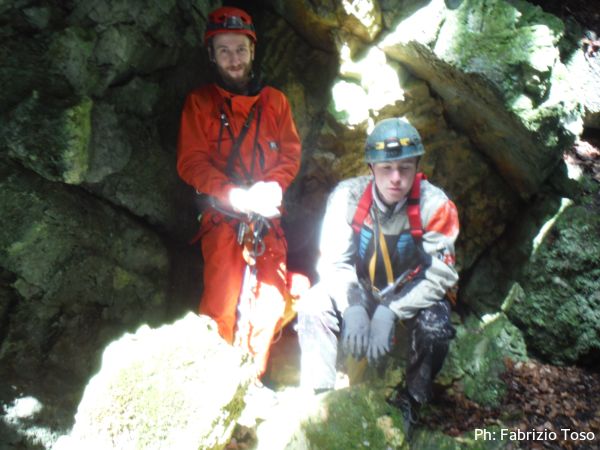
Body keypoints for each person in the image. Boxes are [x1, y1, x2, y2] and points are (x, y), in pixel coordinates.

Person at [297, 117, 459, 435]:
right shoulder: (347, 197)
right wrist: (353, 307)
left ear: (417, 167)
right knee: (312, 305)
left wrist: (391, 311)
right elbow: (334, 262)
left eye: (405, 168)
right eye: (386, 168)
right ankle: (321, 396)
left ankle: (412, 400)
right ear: (371, 168)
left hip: (412, 292)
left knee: (435, 328)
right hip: (363, 288)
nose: (396, 178)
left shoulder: (435, 206)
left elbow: (440, 275)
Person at [177, 6, 302, 378]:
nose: (234, 59)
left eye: (240, 50)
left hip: (266, 220)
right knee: (221, 304)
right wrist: (232, 194)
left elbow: (290, 154)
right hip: (223, 218)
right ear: (212, 55)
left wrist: (273, 186)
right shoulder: (200, 103)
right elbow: (191, 162)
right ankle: (212, 386)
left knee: (270, 303)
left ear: (252, 51)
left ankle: (250, 384)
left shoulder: (275, 102)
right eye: (224, 51)